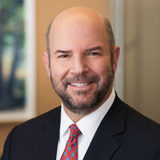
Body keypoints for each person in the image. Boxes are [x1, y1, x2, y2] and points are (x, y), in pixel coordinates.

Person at [2, 6, 160, 160]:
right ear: (47, 64)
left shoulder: (153, 145)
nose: (78, 69)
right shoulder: (19, 140)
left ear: (114, 58)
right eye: (64, 56)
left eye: (92, 53)